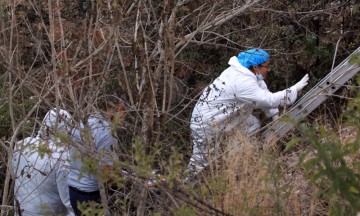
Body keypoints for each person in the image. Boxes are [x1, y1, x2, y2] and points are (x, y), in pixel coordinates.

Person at [188, 48, 309, 174]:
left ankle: (239, 160)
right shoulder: (242, 81)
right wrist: (294, 89)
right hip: (206, 124)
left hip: (222, 118)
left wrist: (274, 114)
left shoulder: (247, 73)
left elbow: (262, 91)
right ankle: (186, 187)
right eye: (266, 66)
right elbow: (268, 99)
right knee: (202, 163)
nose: (269, 69)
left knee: (251, 124)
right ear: (256, 67)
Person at [12, 108, 75, 215]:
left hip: (21, 211)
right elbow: (68, 200)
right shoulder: (61, 156)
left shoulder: (21, 145)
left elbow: (16, 176)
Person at [67, 105, 119, 216]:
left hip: (73, 190)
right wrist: (126, 181)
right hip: (90, 195)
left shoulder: (83, 123)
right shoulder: (107, 132)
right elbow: (105, 174)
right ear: (119, 110)